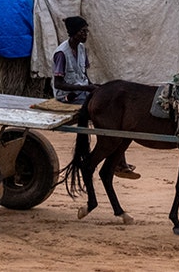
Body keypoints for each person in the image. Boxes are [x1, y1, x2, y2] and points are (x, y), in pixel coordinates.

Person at [53, 16, 138, 180]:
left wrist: (96, 87)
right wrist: (86, 88)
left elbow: (84, 76)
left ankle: (118, 162)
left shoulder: (82, 50)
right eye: (82, 31)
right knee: (113, 114)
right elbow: (58, 83)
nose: (86, 34)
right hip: (68, 96)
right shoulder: (61, 54)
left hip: (83, 90)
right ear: (74, 33)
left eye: (86, 31)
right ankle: (119, 163)